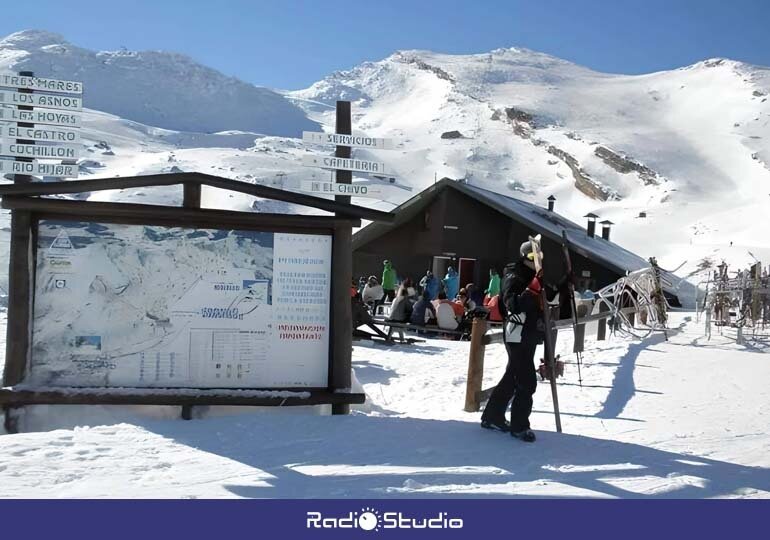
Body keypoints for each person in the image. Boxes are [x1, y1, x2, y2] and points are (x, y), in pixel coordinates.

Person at [480, 238, 567, 443]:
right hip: (516, 333)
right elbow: (513, 305)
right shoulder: (513, 274)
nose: (537, 260)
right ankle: (519, 426)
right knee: (527, 381)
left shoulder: (534, 274)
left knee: (512, 377)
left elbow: (549, 294)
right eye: (533, 256)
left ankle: (492, 416)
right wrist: (531, 290)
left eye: (540, 256)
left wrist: (564, 283)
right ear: (524, 256)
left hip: (528, 334)